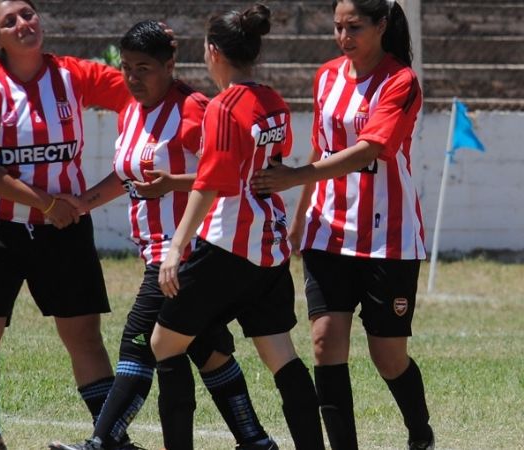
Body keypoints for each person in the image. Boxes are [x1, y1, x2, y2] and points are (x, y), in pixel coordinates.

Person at [48, 20, 277, 450]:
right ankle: (256, 441)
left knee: (137, 340)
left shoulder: (192, 109)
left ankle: (103, 441)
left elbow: (222, 176)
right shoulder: (132, 109)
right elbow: (127, 172)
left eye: (144, 68)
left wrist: (174, 183)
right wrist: (83, 202)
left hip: (186, 251)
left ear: (170, 64)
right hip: (156, 249)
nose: (133, 77)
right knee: (206, 349)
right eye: (127, 67)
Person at [250, 1, 434, 449]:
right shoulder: (327, 76)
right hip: (325, 230)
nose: (343, 36)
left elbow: (370, 149)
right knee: (324, 343)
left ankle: (420, 434)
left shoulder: (401, 81)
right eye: (337, 27)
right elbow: (321, 148)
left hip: (387, 237)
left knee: (388, 357)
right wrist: (298, 221)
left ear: (381, 26)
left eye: (354, 27)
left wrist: (294, 177)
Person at [0, 1, 133, 448]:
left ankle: (111, 439)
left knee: (83, 334)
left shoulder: (73, 75)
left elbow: (141, 92)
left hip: (63, 227)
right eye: (10, 21)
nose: (23, 24)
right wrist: (48, 203)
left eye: (28, 14)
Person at [150, 4, 326, 450]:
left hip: (226, 246)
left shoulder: (223, 107)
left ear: (213, 52)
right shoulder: (273, 100)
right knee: (281, 355)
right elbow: (274, 161)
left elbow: (212, 184)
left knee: (163, 346)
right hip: (268, 250)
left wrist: (176, 248)